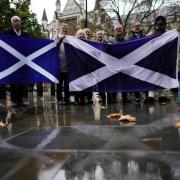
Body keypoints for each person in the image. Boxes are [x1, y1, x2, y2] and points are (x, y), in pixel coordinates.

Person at [3, 16, 29, 107]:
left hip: (23, 61)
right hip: (12, 61)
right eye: (15, 21)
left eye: (19, 21)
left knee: (21, 81)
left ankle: (20, 100)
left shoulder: (26, 35)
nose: (17, 22)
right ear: (12, 23)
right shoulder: (7, 33)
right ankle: (14, 100)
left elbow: (31, 46)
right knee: (13, 81)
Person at [145, 15, 171, 103]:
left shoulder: (168, 34)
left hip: (164, 59)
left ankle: (162, 95)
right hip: (153, 59)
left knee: (162, 77)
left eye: (162, 21)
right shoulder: (151, 34)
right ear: (155, 23)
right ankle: (151, 96)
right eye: (158, 20)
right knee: (152, 76)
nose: (160, 22)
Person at [109, 24, 129, 103]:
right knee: (114, 81)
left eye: (120, 28)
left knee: (125, 81)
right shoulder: (110, 41)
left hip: (125, 63)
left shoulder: (127, 40)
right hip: (114, 64)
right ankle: (113, 98)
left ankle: (125, 98)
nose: (118, 30)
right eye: (116, 29)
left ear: (122, 30)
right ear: (114, 31)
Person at [128, 22, 146, 102]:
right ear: (133, 28)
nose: (137, 27)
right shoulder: (130, 38)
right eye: (135, 26)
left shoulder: (145, 37)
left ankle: (147, 95)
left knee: (145, 78)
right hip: (134, 62)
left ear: (140, 27)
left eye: (138, 26)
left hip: (143, 61)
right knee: (135, 78)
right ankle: (137, 96)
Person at [56, 23, 70, 105]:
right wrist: (60, 40)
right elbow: (55, 47)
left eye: (66, 28)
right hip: (59, 66)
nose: (64, 29)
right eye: (63, 28)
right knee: (59, 85)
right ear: (59, 29)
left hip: (68, 66)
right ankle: (59, 99)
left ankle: (67, 99)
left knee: (67, 84)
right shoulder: (56, 38)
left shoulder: (70, 39)